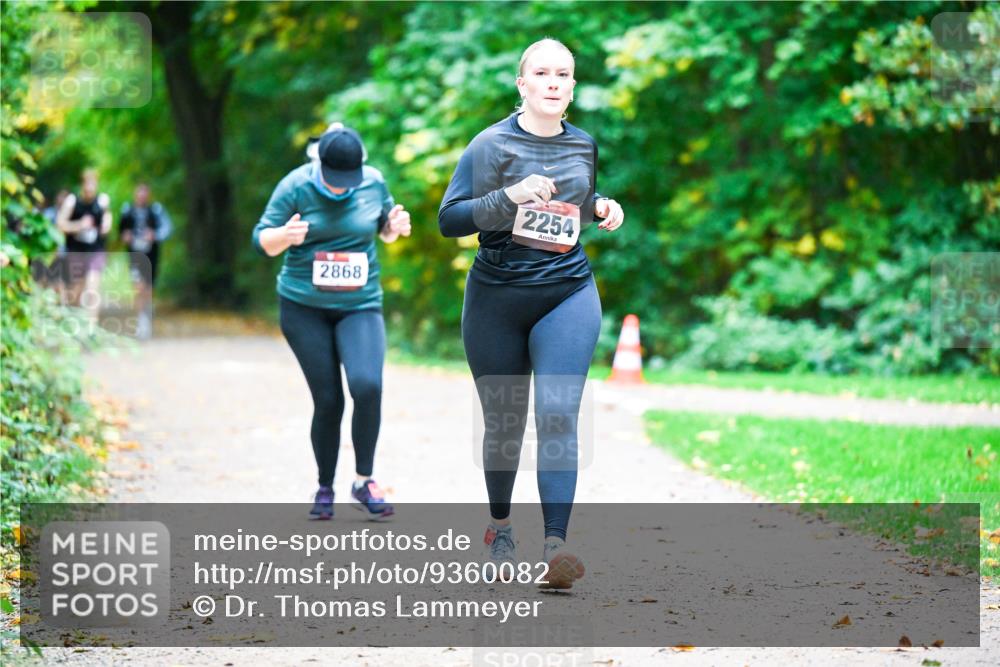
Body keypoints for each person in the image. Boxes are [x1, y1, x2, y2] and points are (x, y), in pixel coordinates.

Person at [438, 38, 625, 589]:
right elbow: (450, 220)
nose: (551, 81)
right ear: (522, 84)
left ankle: (555, 548)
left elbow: (575, 206)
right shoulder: (489, 145)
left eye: (562, 74)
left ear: (571, 87)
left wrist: (601, 208)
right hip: (496, 297)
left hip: (566, 290)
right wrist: (510, 196)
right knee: (504, 422)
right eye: (540, 72)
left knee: (558, 412)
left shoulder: (583, 145)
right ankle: (500, 528)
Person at [253, 123, 411, 521]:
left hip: (360, 304)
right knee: (329, 399)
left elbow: (384, 230)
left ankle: (364, 480)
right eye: (334, 179)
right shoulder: (295, 186)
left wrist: (393, 228)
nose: (341, 187)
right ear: (318, 163)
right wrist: (285, 235)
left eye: (348, 180)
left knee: (368, 385)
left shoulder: (373, 182)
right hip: (304, 307)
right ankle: (325, 485)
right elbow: (262, 241)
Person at [56, 169, 113, 324]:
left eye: (93, 184)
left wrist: (106, 225)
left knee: (92, 286)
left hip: (95, 250)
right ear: (82, 185)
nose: (90, 188)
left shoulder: (102, 201)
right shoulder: (72, 201)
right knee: (75, 291)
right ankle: (75, 324)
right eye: (87, 184)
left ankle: (91, 329)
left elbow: (107, 219)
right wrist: (79, 225)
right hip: (75, 251)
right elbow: (60, 224)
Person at [120, 183, 173, 339]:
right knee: (138, 287)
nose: (141, 197)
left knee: (149, 288)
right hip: (135, 255)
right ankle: (140, 321)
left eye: (144, 193)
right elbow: (121, 231)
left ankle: (146, 318)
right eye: (139, 193)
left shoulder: (156, 210)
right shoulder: (127, 211)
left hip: (152, 256)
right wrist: (126, 236)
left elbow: (167, 229)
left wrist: (154, 235)